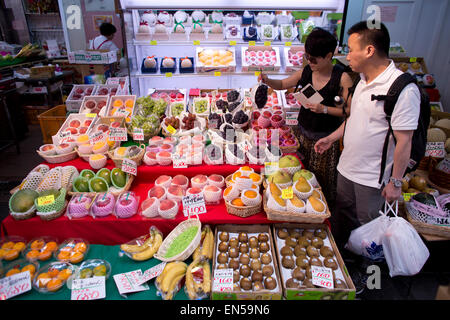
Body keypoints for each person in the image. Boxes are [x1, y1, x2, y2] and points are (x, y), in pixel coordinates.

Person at [314, 21, 421, 293]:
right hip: (347, 169)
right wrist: (332, 137)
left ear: (370, 50)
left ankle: (370, 284)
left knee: (371, 237)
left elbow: (404, 140)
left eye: (351, 50)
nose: (346, 56)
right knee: (344, 221)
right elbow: (353, 120)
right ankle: (341, 267)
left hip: (372, 180)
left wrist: (396, 183)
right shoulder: (362, 82)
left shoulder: (402, 89)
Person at [259, 27, 353, 208]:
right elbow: (283, 84)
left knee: (319, 185)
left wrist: (324, 109)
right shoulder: (307, 72)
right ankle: (293, 208)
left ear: (328, 55)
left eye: (313, 58)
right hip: (301, 135)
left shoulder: (342, 79)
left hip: (326, 140)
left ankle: (320, 216)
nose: (309, 61)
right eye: (307, 56)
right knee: (296, 179)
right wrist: (267, 80)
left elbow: (347, 112)